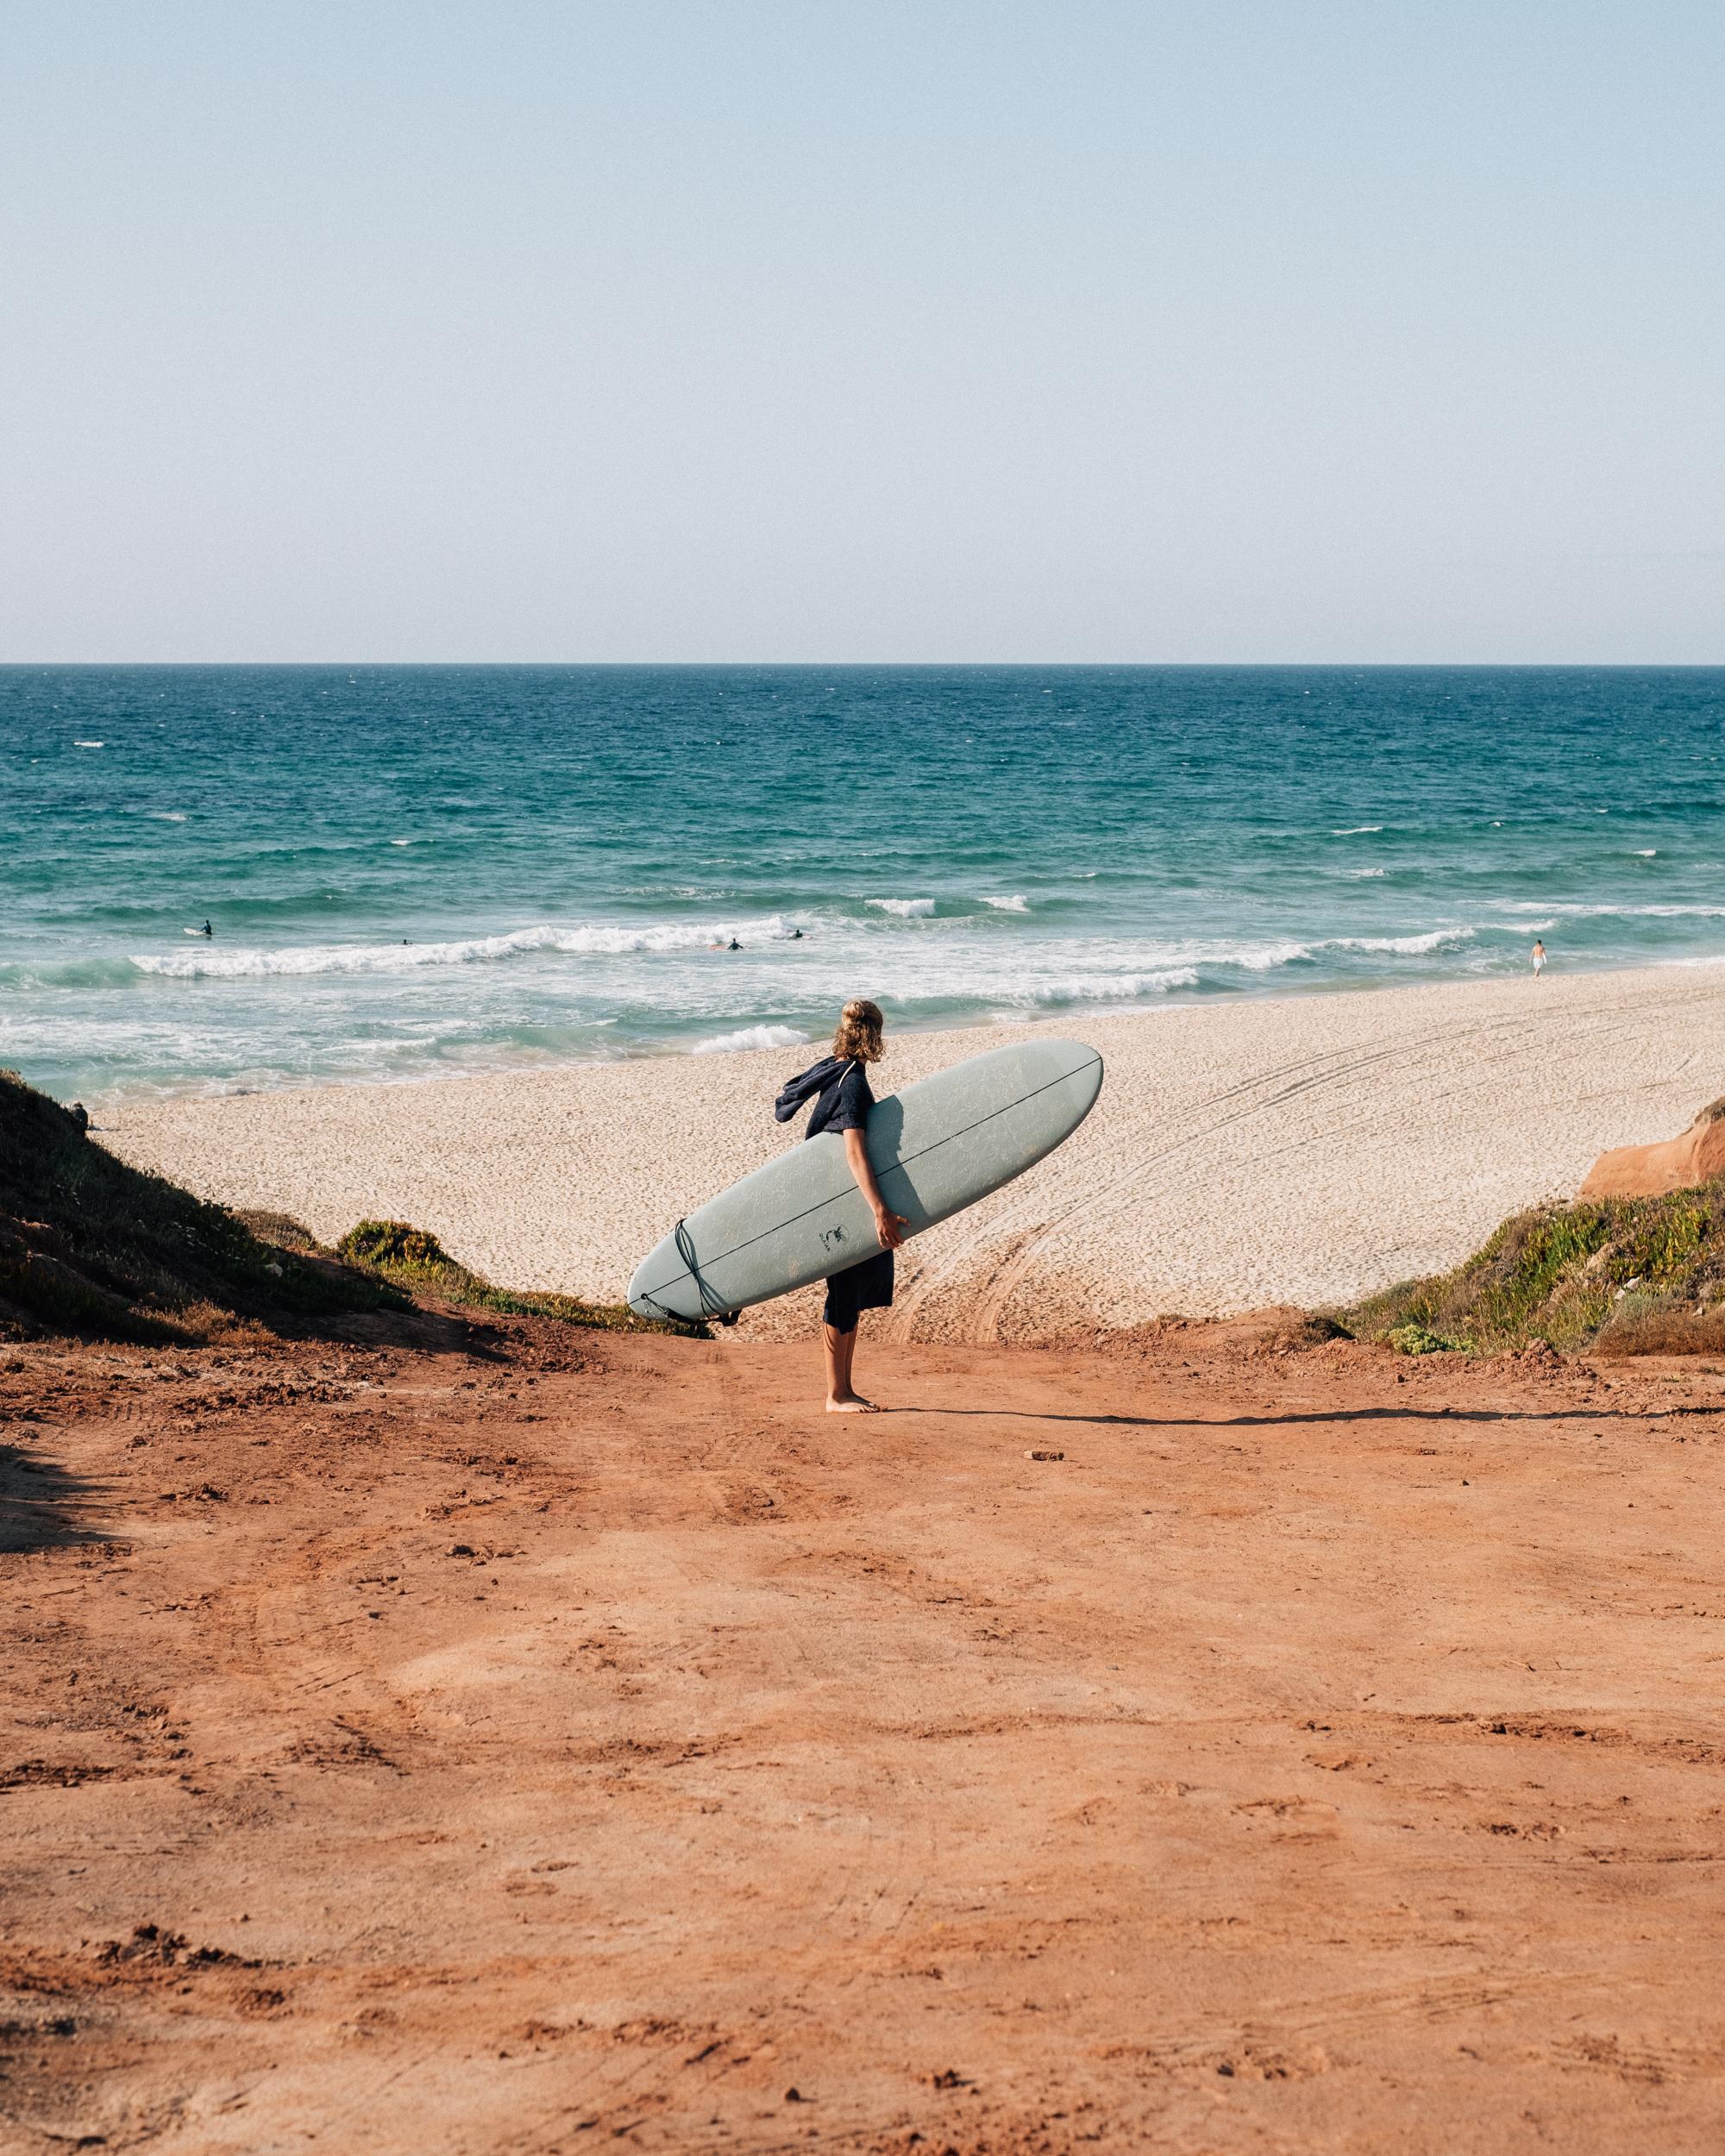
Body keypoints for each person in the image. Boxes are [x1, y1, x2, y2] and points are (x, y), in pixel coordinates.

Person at [774, 999, 906, 1412]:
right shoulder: (850, 1082)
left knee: (849, 1294)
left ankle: (845, 1389)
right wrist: (879, 1210)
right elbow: (854, 1153)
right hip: (844, 1204)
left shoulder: (839, 1068)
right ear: (875, 1034)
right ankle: (835, 1394)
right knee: (844, 1293)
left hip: (840, 1198)